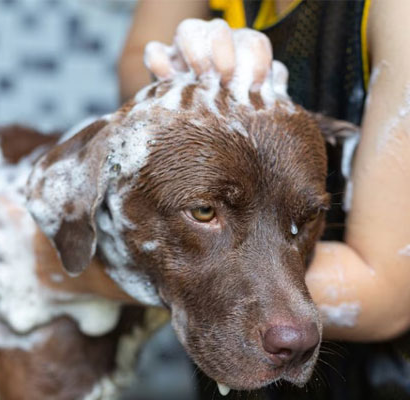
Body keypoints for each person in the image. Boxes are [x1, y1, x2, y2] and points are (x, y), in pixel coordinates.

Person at [119, 0, 410, 398]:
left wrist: (90, 275)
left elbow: (389, 295)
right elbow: (138, 59)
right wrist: (184, 81)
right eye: (205, 210)